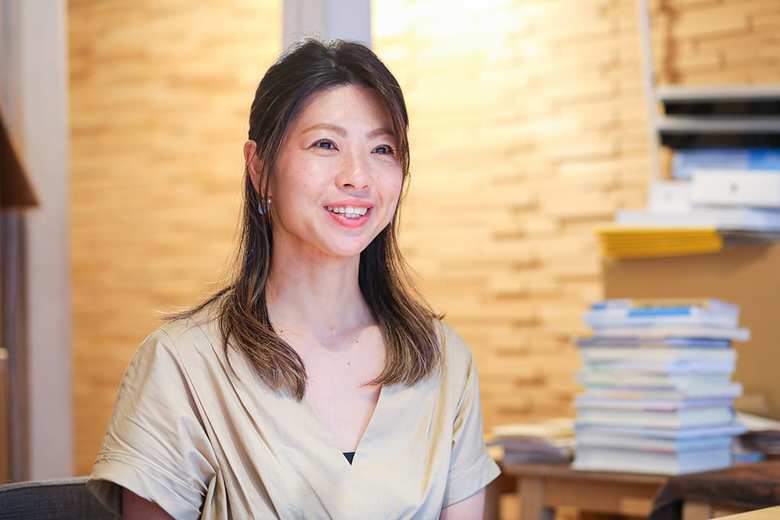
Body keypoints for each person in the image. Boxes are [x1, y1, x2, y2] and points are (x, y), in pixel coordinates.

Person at [87, 38, 500, 519]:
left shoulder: (444, 362)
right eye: (326, 144)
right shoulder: (182, 365)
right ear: (260, 169)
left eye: (382, 149)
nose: (357, 176)